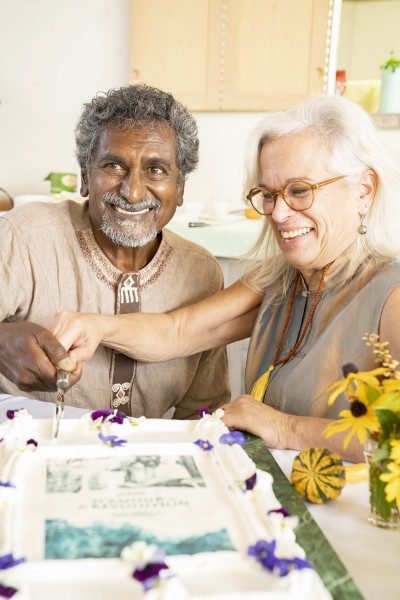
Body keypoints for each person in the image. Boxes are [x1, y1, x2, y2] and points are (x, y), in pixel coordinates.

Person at [45, 94, 400, 462]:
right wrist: (95, 327)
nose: (277, 213)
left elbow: (394, 442)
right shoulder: (279, 282)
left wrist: (285, 428)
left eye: (299, 191)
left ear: (364, 190)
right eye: (269, 194)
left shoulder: (391, 296)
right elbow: (177, 331)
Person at [0, 84, 230, 418]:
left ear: (180, 189)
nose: (133, 192)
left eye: (156, 169)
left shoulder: (200, 273)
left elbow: (202, 411)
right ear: (84, 179)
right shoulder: (22, 238)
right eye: (113, 166)